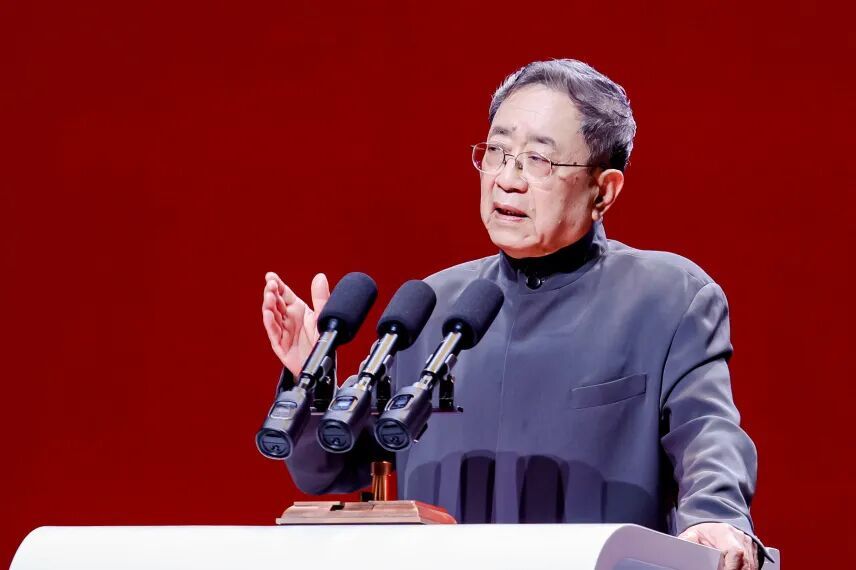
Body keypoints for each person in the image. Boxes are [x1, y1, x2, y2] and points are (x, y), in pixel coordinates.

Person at [262, 59, 766, 570]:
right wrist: (312, 378)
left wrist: (716, 518)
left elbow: (707, 434)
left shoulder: (667, 297)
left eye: (538, 160)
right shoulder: (435, 305)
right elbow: (330, 470)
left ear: (604, 190)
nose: (507, 179)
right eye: (497, 152)